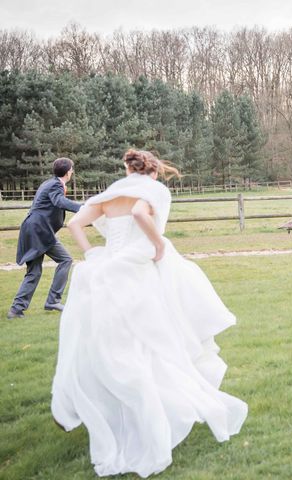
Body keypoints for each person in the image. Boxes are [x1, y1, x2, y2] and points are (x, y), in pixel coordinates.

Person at [51, 149, 248, 478]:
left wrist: (92, 253)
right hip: (136, 269)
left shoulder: (111, 193)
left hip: (105, 271)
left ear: (127, 169)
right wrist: (158, 246)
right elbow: (142, 215)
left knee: (112, 346)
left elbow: (74, 223)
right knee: (156, 342)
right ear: (153, 172)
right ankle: (155, 413)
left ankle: (118, 409)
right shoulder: (151, 190)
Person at [8, 158, 81, 319]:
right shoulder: (55, 185)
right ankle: (53, 301)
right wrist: (83, 208)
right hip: (40, 232)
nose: (72, 172)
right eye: (72, 169)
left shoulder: (49, 183)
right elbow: (59, 201)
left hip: (35, 230)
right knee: (66, 260)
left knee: (34, 271)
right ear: (68, 171)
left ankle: (16, 309)